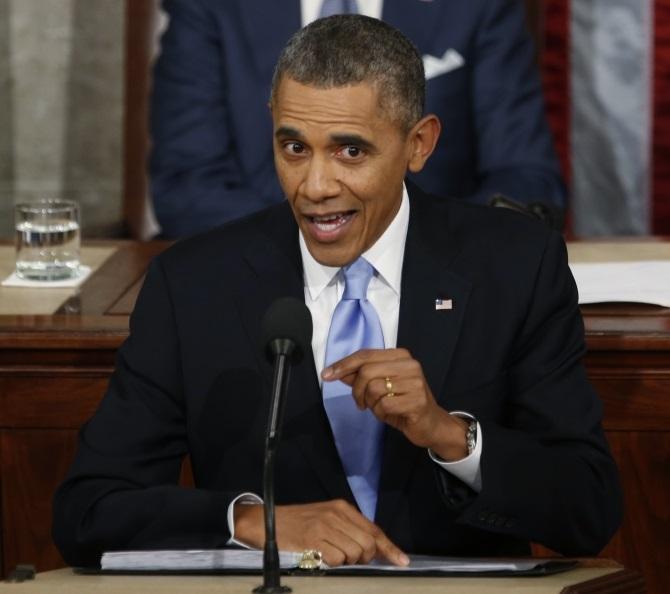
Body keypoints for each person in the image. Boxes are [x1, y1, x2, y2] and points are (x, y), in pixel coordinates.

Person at [54, 15, 620, 568]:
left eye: (351, 151)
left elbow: (588, 510)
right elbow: (88, 511)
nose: (316, 186)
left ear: (418, 144)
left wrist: (450, 435)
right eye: (294, 148)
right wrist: (255, 522)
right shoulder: (195, 284)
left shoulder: (515, 266)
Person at [150, 0, 566, 238]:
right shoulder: (212, 5)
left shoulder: (476, 6)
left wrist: (407, 251)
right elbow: (186, 185)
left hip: (436, 287)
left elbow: (525, 178)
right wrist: (325, 238)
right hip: (256, 280)